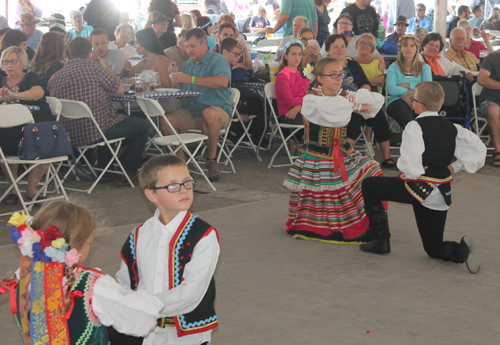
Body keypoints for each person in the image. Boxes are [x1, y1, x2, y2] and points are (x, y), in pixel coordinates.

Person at [359, 81, 486, 275]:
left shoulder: (414, 126)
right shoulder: (453, 128)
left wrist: (417, 171)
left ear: (418, 105)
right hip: (440, 193)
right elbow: (479, 151)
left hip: (416, 189)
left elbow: (410, 167)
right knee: (433, 246)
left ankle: (380, 239)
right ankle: (460, 251)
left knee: (370, 185)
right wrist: (454, 167)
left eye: (413, 99)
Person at [3, 201, 164, 344]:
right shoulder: (92, 287)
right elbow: (141, 320)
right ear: (75, 249)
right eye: (88, 243)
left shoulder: (21, 277)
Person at [111, 154, 220, 345]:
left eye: (187, 183)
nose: (183, 190)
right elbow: (125, 281)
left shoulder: (203, 235)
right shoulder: (138, 236)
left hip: (188, 337)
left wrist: (145, 305)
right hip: (147, 334)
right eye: (173, 186)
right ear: (151, 194)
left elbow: (192, 292)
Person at [283, 56, 385, 243]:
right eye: (333, 75)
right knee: (329, 190)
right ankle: (328, 224)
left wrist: (357, 103)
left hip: (343, 153)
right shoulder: (312, 98)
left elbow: (373, 101)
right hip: (318, 157)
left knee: (373, 170)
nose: (339, 78)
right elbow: (334, 110)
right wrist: (358, 106)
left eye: (341, 74)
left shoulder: (343, 95)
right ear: (320, 78)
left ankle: (373, 224)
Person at [48, 37, 150, 186]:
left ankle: (105, 171)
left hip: (68, 134)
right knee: (141, 125)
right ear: (89, 54)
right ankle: (127, 172)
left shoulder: (55, 77)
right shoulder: (94, 69)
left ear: (69, 54)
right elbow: (119, 89)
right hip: (95, 131)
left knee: (106, 120)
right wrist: (104, 68)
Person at [166, 28, 232, 182]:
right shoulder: (189, 64)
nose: (189, 50)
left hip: (217, 110)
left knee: (209, 113)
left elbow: (223, 82)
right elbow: (183, 90)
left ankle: (211, 159)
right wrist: (174, 76)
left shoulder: (218, 60)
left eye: (192, 46)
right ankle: (183, 165)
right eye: (186, 46)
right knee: (166, 120)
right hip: (192, 110)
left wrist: (191, 79)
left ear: (204, 43)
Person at [326, 33, 396, 168]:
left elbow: (366, 84)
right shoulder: (325, 67)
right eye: (336, 47)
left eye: (342, 46)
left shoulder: (353, 64)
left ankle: (387, 158)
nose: (340, 49)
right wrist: (353, 101)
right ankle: (343, 157)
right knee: (355, 118)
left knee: (379, 116)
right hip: (338, 105)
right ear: (328, 50)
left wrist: (359, 96)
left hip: (359, 101)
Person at [0, 47, 53, 205]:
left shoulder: (31, 77)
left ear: (22, 62)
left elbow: (38, 93)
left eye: (13, 61)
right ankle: (13, 187)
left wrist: (13, 96)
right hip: (8, 128)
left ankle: (32, 188)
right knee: (6, 143)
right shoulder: (1, 79)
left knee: (48, 144)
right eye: (5, 61)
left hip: (36, 124)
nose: (9, 65)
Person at [122, 28, 178, 112]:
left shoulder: (161, 60)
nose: (134, 46)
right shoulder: (144, 62)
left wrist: (141, 83)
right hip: (147, 104)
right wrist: (125, 68)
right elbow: (126, 74)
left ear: (145, 42)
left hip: (161, 105)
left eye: (137, 43)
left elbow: (166, 86)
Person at [387, 34, 431, 130]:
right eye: (405, 45)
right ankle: (411, 143)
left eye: (412, 46)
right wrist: (410, 91)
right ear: (400, 48)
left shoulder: (425, 67)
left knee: (426, 120)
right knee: (409, 120)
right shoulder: (394, 67)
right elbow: (391, 89)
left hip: (420, 101)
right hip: (396, 100)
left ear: (417, 48)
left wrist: (407, 85)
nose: (409, 49)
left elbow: (427, 87)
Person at [275, 40, 309, 153]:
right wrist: (303, 104)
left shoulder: (301, 74)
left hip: (301, 110)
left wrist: (299, 107)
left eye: (300, 54)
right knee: (316, 121)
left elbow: (311, 95)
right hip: (288, 113)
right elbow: (290, 101)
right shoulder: (283, 75)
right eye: (293, 54)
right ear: (285, 56)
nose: (297, 57)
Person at [477, 48, 500, 167]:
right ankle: (498, 151)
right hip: (490, 101)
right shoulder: (493, 58)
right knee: (494, 110)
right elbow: (481, 79)